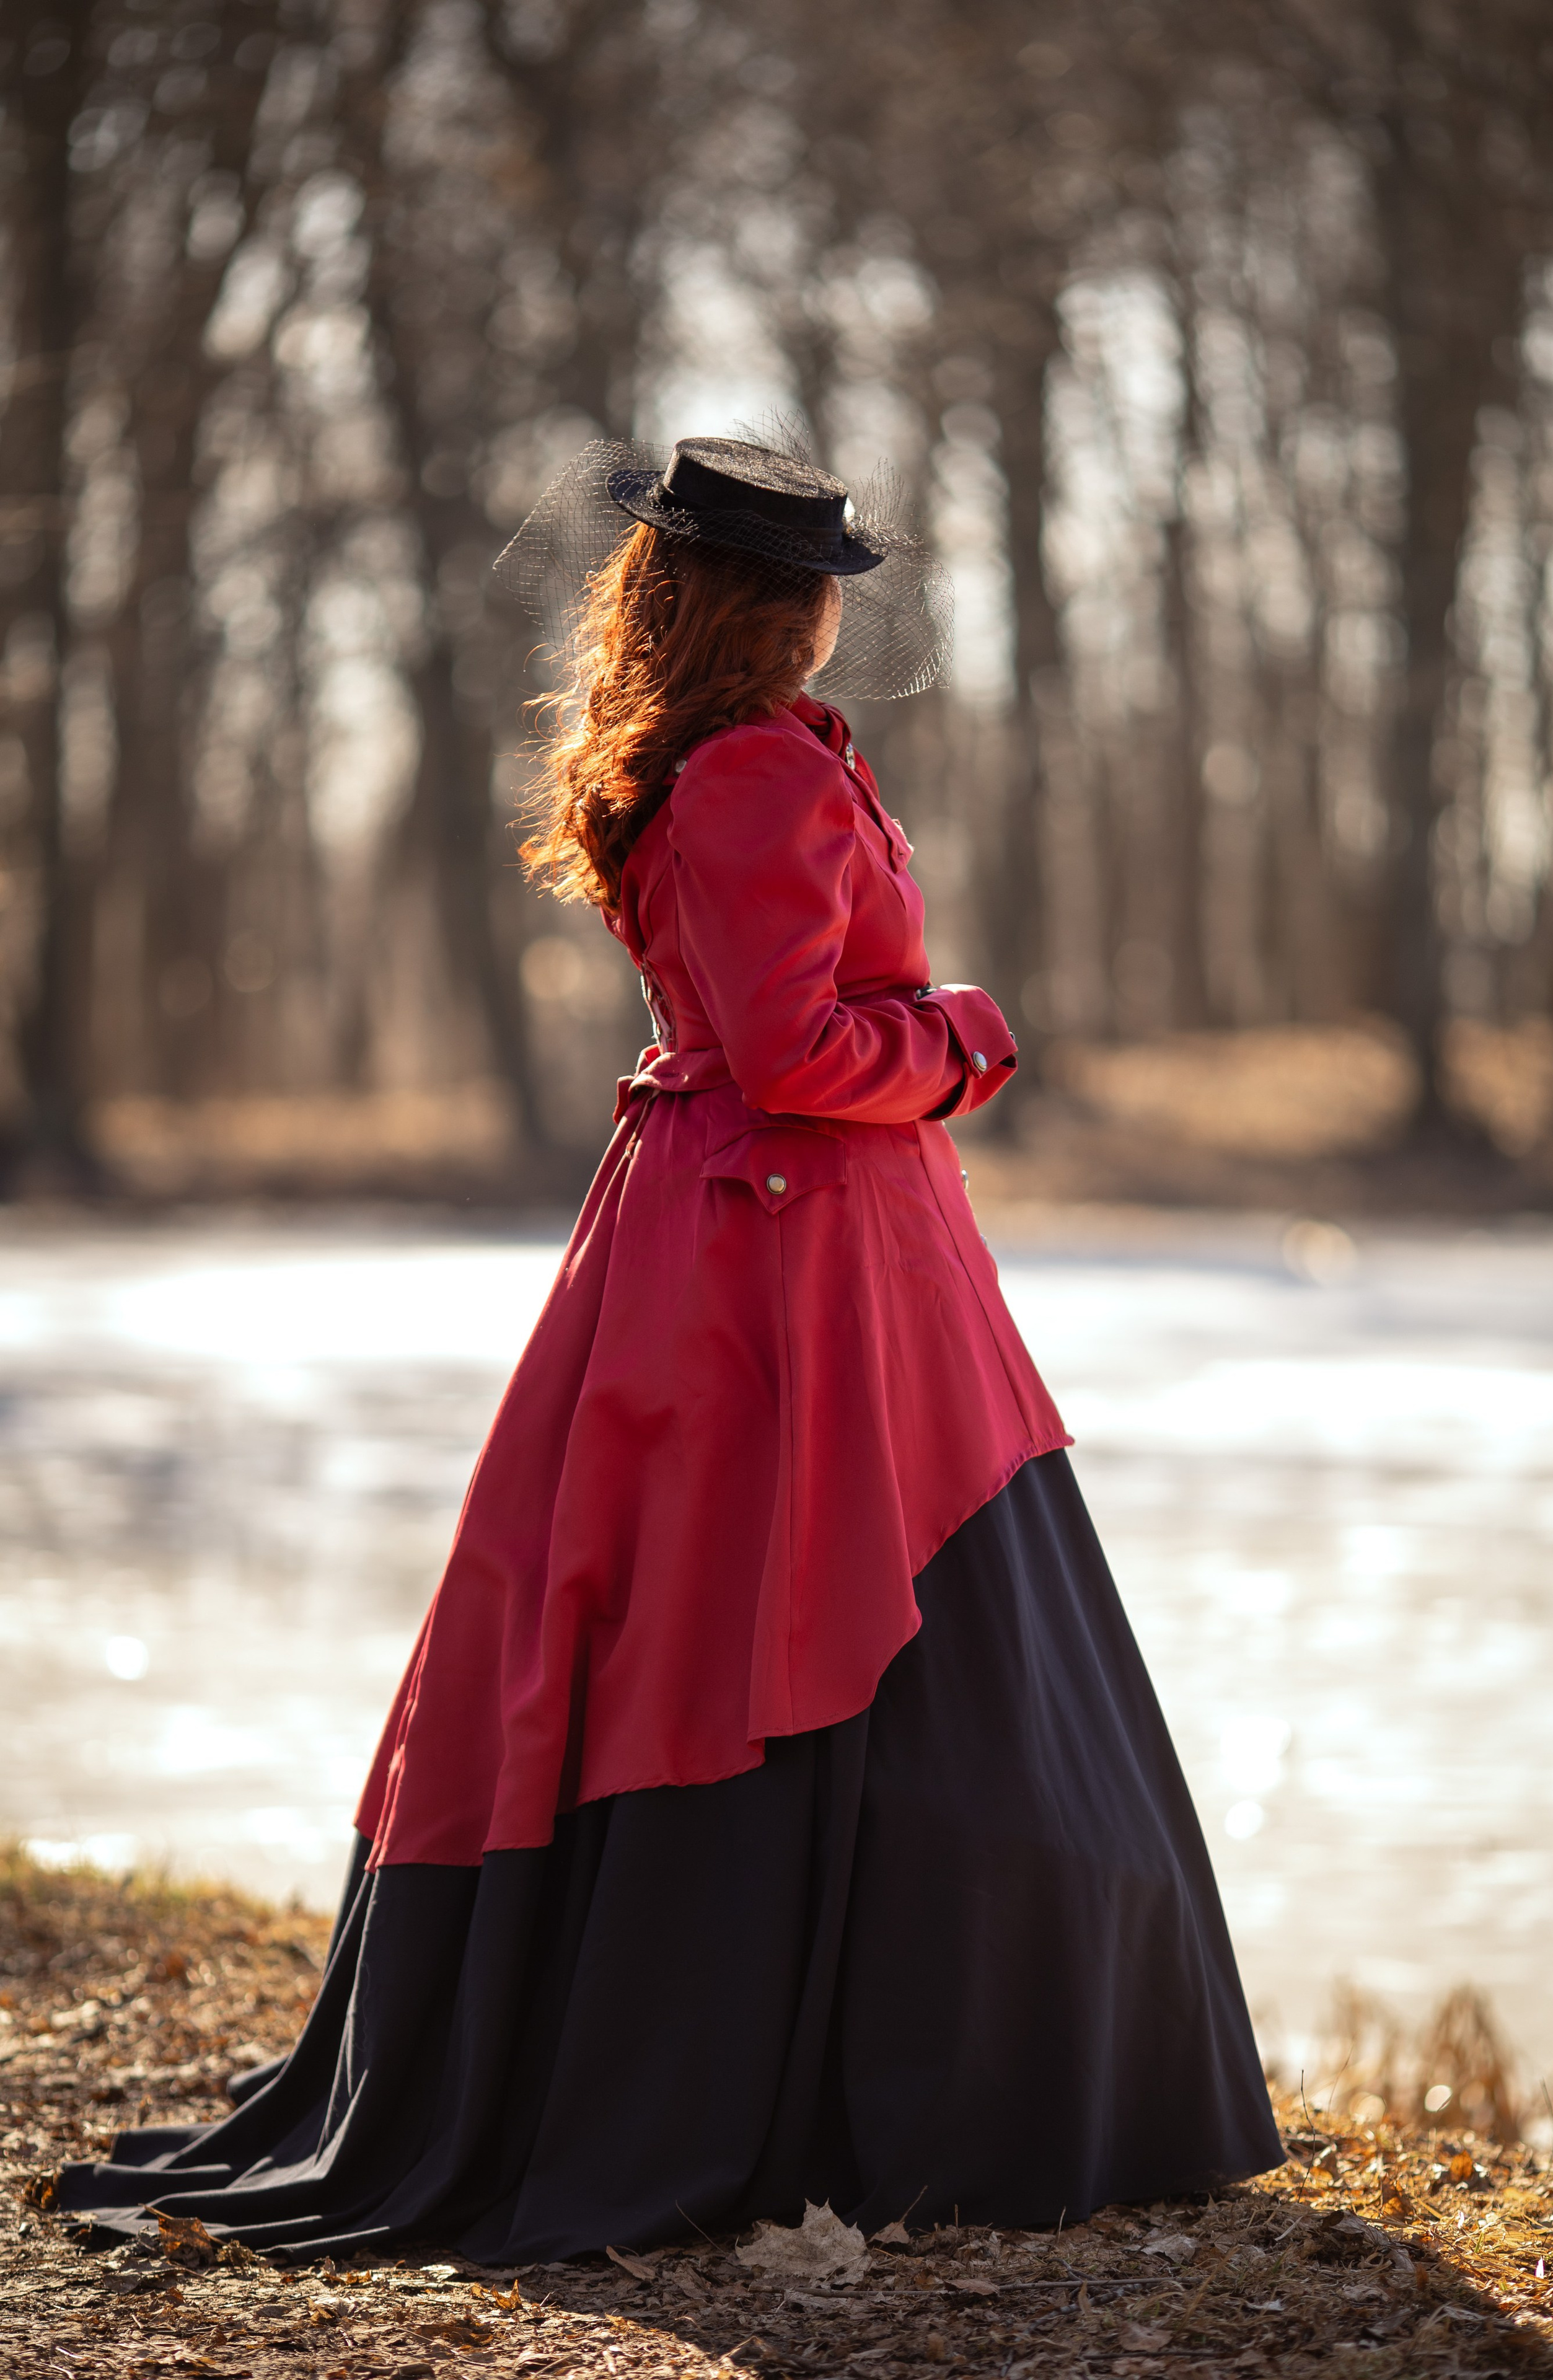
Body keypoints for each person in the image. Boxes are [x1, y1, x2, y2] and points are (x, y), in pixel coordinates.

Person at [57, 433, 1282, 2263]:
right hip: (794, 1253)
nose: (826, 628)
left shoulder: (709, 760)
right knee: (802, 1620)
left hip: (739, 1233)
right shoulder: (756, 771)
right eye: (814, 597)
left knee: (701, 1616)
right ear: (774, 610)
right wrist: (963, 1037)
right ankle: (901, 2082)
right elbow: (796, 1057)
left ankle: (766, 2049)